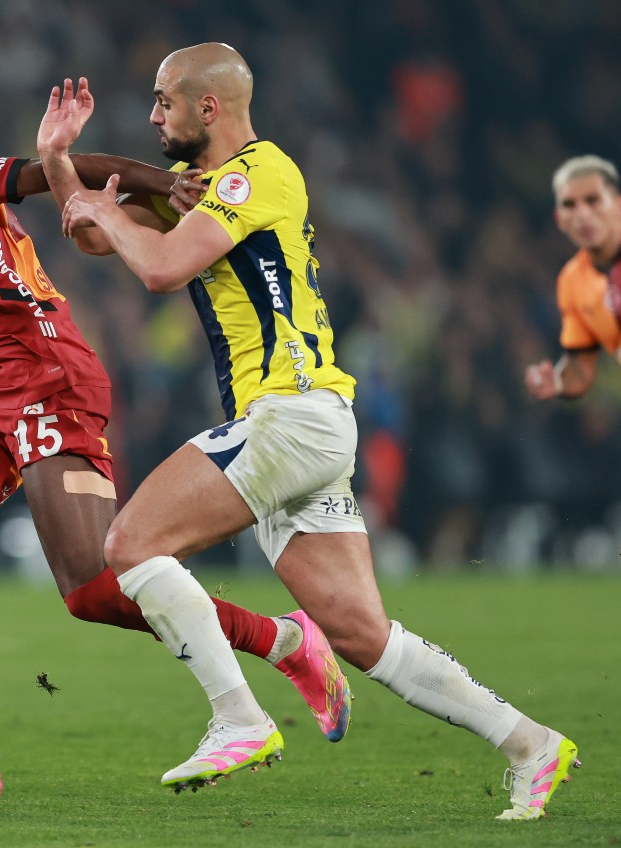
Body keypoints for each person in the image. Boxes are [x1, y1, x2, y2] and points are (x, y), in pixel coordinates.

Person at [39, 45, 579, 821]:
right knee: (362, 633)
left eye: (164, 102)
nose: (154, 116)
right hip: (310, 425)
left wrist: (104, 210)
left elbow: (156, 268)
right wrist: (58, 161)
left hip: (288, 415)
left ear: (209, 108)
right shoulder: (207, 191)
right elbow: (96, 235)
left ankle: (238, 717)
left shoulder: (257, 174)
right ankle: (530, 742)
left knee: (128, 547)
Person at [0, 97, 352, 812]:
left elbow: (51, 174)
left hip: (50, 382)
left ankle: (283, 641)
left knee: (91, 588)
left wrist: (157, 182)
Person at [524, 155, 621, 401]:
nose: (583, 215)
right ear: (560, 220)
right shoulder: (573, 281)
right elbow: (581, 366)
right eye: (570, 205)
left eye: (593, 201)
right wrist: (556, 382)